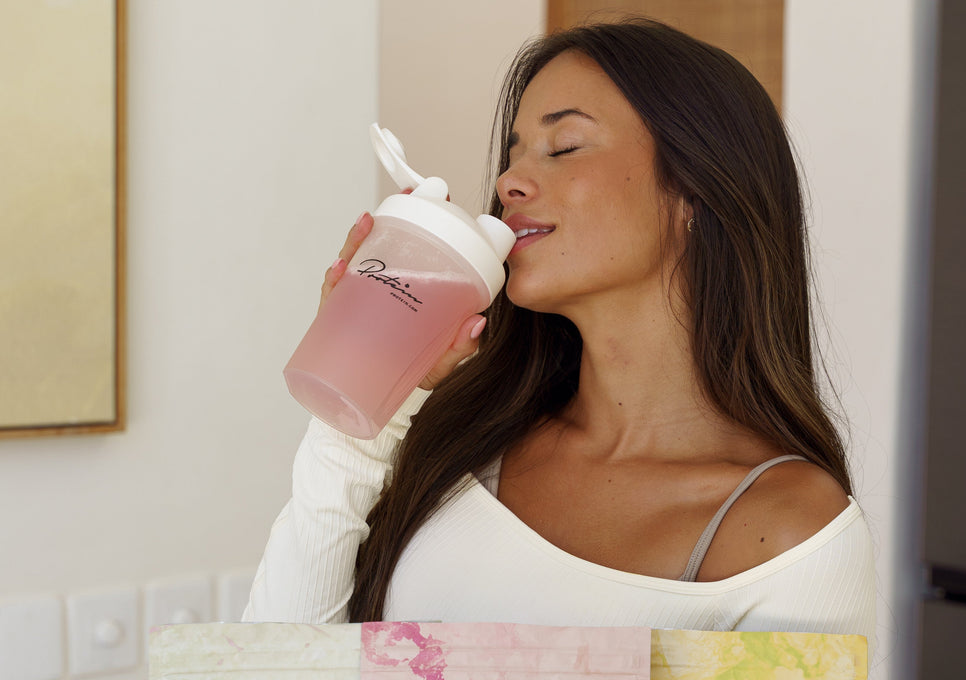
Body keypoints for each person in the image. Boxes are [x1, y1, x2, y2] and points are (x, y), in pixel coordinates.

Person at [243, 17, 875, 645]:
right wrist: (362, 409)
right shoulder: (458, 440)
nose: (506, 182)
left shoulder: (788, 535)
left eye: (564, 146)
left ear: (695, 190)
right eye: (513, 153)